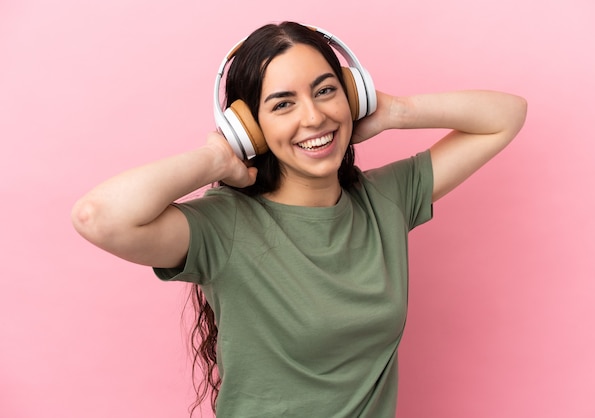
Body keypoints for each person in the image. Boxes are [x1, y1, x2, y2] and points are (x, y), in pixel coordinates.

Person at [71, 21, 527, 418]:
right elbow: (99, 217)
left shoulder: (384, 200)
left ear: (352, 94)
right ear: (249, 127)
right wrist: (215, 156)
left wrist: (392, 110)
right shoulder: (225, 225)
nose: (314, 117)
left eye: (327, 90)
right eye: (283, 104)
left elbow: (506, 115)